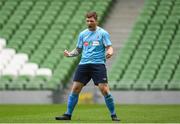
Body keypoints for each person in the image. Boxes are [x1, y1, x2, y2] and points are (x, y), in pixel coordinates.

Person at [55, 11, 120, 122]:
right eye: (87, 21)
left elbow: (109, 47)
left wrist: (110, 52)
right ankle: (68, 114)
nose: (89, 23)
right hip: (84, 64)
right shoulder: (82, 34)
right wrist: (70, 54)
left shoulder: (103, 33)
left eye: (91, 21)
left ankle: (113, 115)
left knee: (104, 90)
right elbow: (79, 50)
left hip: (98, 64)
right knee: (75, 89)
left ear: (96, 21)